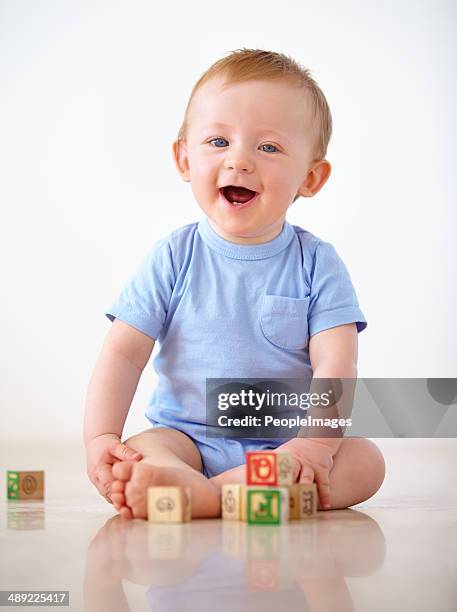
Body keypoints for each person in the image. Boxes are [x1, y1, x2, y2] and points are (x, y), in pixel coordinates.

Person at [83, 48, 385, 520]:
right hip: (187, 440)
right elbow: (123, 352)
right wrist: (102, 437)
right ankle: (220, 490)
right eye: (218, 141)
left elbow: (337, 364)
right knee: (146, 451)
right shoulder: (173, 257)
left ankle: (206, 496)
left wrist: (314, 447)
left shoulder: (317, 263)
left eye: (268, 147)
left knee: (366, 463)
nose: (239, 161)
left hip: (286, 444)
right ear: (184, 159)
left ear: (311, 177)